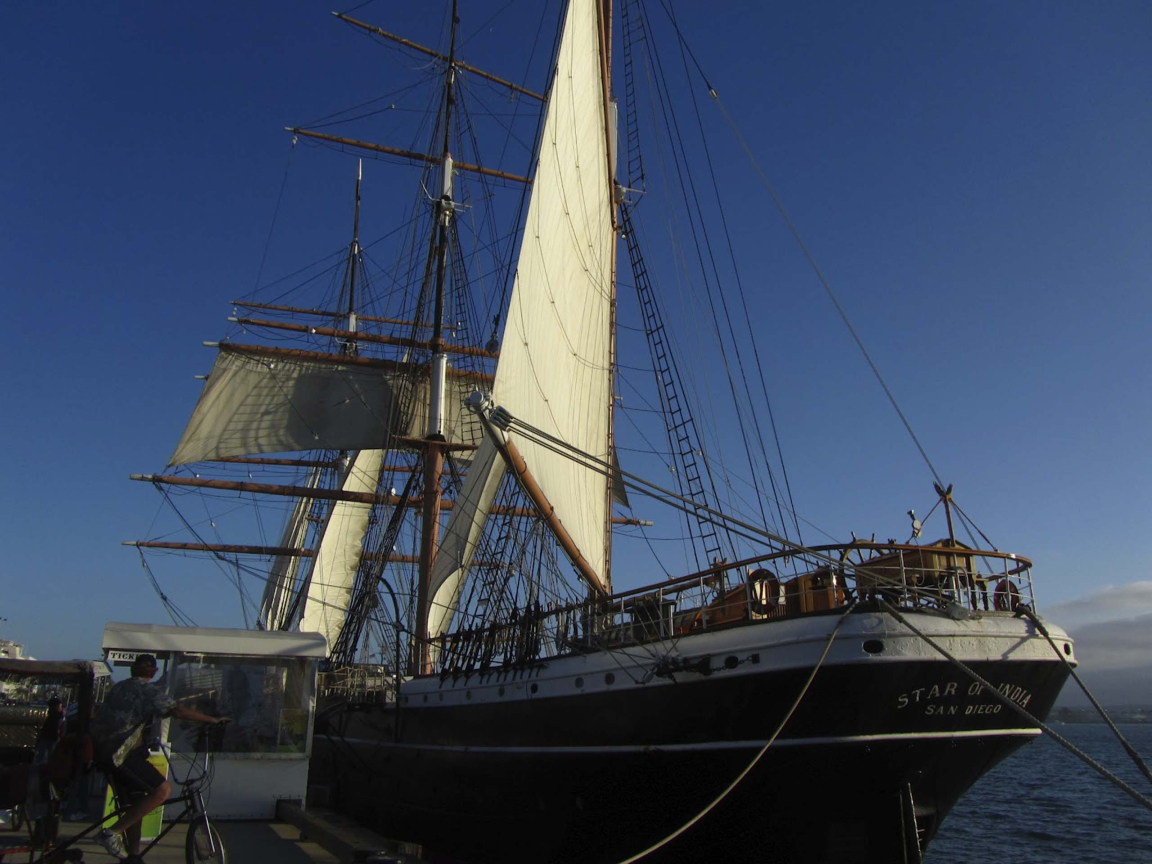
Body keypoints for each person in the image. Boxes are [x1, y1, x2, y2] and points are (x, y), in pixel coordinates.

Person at [90, 654, 228, 860]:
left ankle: (133, 855)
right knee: (162, 791)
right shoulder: (147, 690)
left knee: (135, 805)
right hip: (120, 754)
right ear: (154, 672)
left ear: (133, 669)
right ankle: (110, 833)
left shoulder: (119, 687)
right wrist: (212, 720)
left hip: (102, 752)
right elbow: (177, 710)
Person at [35, 697, 65, 763]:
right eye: (60, 706)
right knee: (49, 756)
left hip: (46, 737)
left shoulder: (50, 714)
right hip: (51, 737)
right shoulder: (56, 716)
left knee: (41, 755)